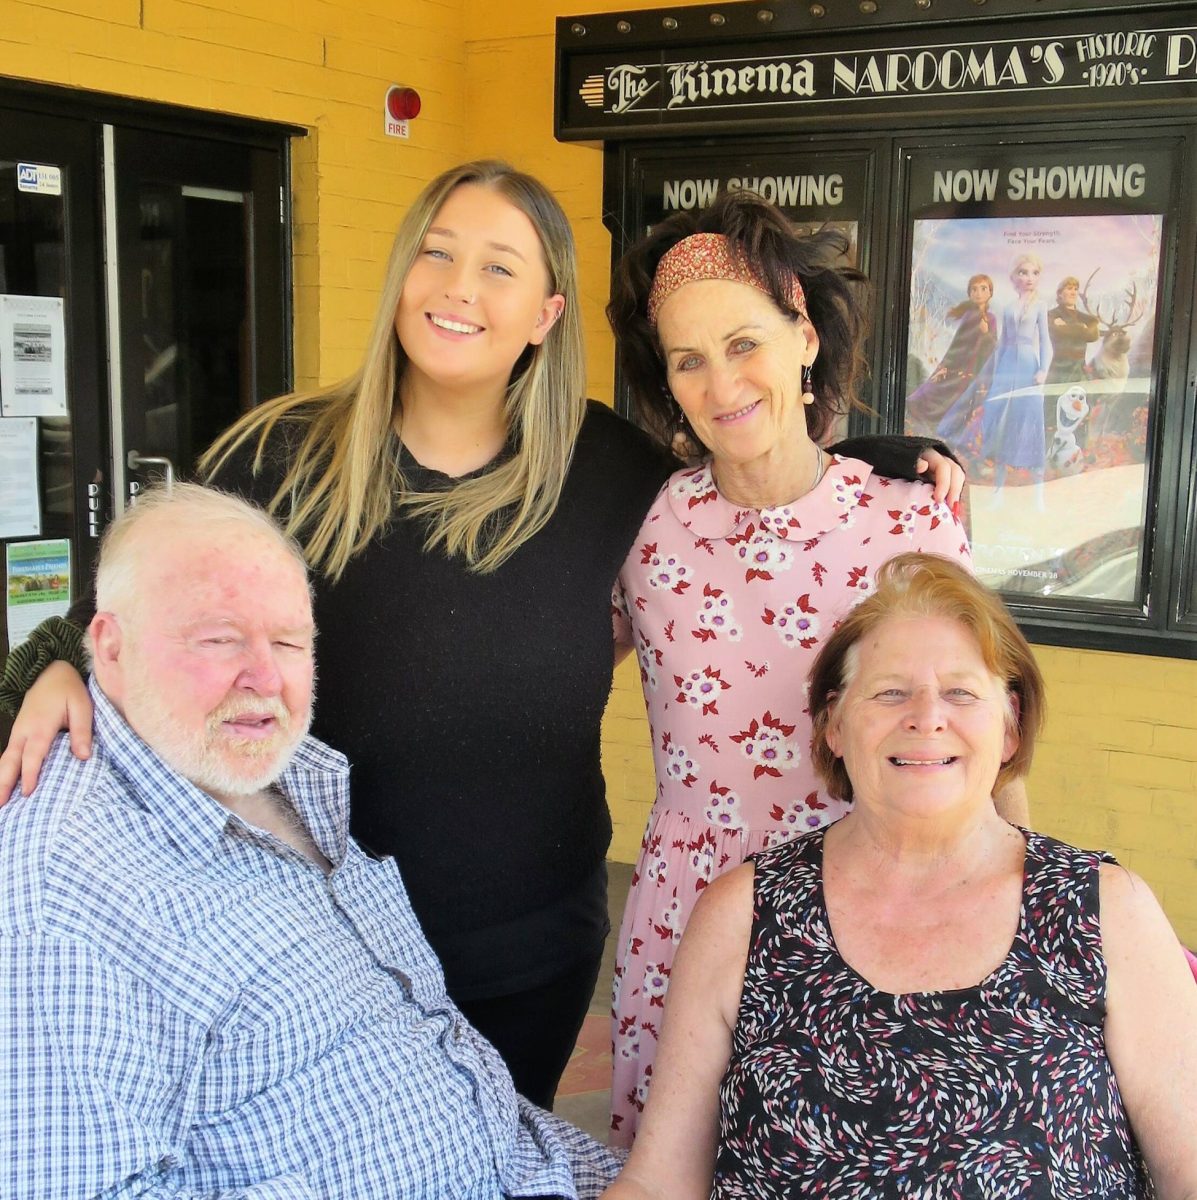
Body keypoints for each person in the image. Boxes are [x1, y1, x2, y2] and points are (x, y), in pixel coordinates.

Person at [0, 160, 960, 1107]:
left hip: (532, 949)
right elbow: (132, 606)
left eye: (499, 266)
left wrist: (888, 461)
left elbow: (757, 471)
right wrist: (52, 669)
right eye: (437, 253)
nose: (460, 288)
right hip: (324, 943)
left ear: (546, 314)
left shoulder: (607, 472)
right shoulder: (281, 453)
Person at [0, 484, 620, 1200]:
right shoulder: (63, 896)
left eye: (290, 641)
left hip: (533, 1164)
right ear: (108, 648)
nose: (266, 678)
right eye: (218, 638)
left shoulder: (288, 776)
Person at [604, 552, 1197, 1199]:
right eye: (890, 691)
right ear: (833, 723)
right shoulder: (742, 914)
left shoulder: (1107, 914)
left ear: (1009, 726)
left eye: (961, 692)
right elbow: (660, 1181)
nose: (925, 717)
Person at [603, 193, 992, 1145]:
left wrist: (1014, 902)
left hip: (878, 910)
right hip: (688, 920)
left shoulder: (909, 518)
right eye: (686, 360)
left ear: (802, 337)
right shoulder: (639, 525)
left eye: (744, 344)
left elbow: (979, 735)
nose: (719, 383)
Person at [982, 252, 1053, 504]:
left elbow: (1046, 342)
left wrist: (1043, 369)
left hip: (1028, 368)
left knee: (1030, 420)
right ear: (1015, 277)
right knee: (1003, 421)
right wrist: (995, 373)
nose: (1029, 278)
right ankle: (998, 490)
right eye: (1023, 272)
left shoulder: (1040, 306)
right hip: (1007, 368)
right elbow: (1002, 343)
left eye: (1034, 273)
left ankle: (1038, 494)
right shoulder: (1008, 307)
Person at [905, 273, 997, 438]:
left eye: (983, 288)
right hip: (960, 366)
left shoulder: (991, 319)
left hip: (979, 368)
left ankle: (960, 434)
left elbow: (993, 346)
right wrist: (945, 367)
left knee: (969, 402)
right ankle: (938, 429)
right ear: (969, 293)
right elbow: (958, 345)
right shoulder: (969, 316)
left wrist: (985, 333)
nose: (978, 293)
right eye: (974, 289)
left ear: (990, 292)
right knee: (945, 397)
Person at [1044, 273, 1100, 444]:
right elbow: (1056, 331)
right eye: (1069, 289)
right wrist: (1080, 329)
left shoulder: (1087, 318)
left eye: (1075, 289)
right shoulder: (1051, 315)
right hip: (1059, 369)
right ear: (1060, 294)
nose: (1073, 292)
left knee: (1080, 409)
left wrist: (1070, 327)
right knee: (1053, 409)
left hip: (1079, 369)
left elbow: (1093, 335)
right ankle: (1049, 451)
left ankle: (1079, 451)